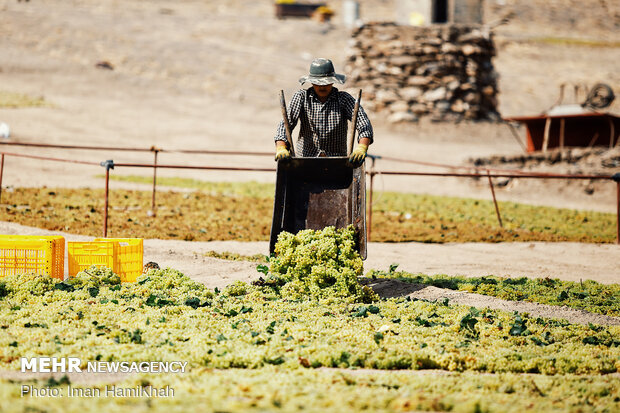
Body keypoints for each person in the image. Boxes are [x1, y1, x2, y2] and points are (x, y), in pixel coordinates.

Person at [274, 58, 373, 165]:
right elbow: (285, 124)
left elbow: (364, 124)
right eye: (318, 83)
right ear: (311, 82)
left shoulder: (344, 99)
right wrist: (281, 147)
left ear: (333, 81)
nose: (322, 87)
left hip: (337, 162)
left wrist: (362, 147)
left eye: (326, 83)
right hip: (305, 161)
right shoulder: (302, 97)